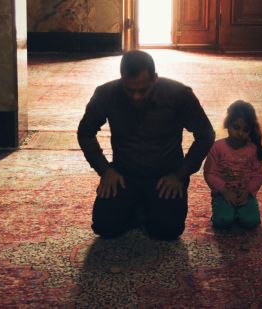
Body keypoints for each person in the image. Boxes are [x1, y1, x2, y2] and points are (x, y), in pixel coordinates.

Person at [77, 50, 215, 241]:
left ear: (155, 79)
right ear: (122, 78)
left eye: (143, 90)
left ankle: (143, 208)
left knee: (167, 231)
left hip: (165, 175)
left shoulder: (179, 94)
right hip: (124, 174)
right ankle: (140, 206)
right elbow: (85, 133)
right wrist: (105, 171)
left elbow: (206, 134)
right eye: (130, 90)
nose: (136, 97)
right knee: (105, 227)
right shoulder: (106, 93)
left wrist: (180, 175)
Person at [203, 100, 262, 229]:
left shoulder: (253, 150)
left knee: (252, 222)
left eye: (245, 129)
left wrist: (247, 192)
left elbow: (258, 175)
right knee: (222, 221)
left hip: (245, 192)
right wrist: (224, 191)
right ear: (228, 125)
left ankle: (239, 212)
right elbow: (210, 173)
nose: (240, 133)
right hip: (223, 192)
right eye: (236, 127)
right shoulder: (217, 147)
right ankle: (223, 209)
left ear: (251, 130)